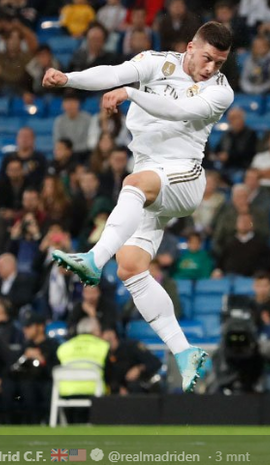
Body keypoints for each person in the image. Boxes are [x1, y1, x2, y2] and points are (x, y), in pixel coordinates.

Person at [43, 21, 234, 392]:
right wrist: (68, 78)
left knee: (132, 184)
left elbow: (175, 113)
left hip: (184, 177)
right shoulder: (155, 62)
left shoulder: (220, 92)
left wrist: (130, 93)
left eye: (220, 62)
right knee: (131, 269)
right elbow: (112, 73)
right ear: (191, 46)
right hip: (151, 176)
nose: (211, 68)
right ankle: (184, 352)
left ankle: (94, 259)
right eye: (208, 58)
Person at [103, 328, 162, 395]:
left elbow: (155, 362)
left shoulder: (131, 346)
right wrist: (119, 388)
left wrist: (139, 368)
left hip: (142, 390)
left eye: (108, 341)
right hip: (120, 395)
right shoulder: (106, 355)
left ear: (113, 334)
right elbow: (108, 377)